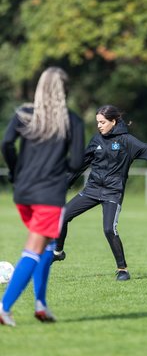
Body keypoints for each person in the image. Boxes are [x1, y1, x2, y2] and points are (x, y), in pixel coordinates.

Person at [0, 67, 85, 327]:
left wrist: (16, 172)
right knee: (34, 250)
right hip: (48, 194)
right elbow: (77, 161)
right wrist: (61, 172)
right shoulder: (72, 121)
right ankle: (3, 308)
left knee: (47, 247)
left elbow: (6, 144)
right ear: (65, 90)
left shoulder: (24, 114)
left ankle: (41, 304)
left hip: (23, 192)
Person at [53, 104, 147, 281]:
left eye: (102, 122)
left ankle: (122, 269)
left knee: (109, 229)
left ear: (113, 121)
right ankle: (58, 252)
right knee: (62, 216)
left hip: (112, 192)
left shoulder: (127, 141)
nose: (99, 126)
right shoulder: (96, 140)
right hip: (92, 190)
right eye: (97, 122)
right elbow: (81, 164)